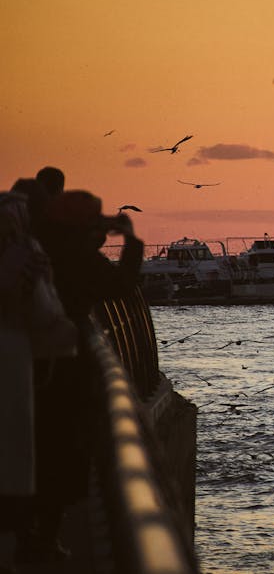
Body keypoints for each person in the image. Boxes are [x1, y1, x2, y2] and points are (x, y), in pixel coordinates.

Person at [16, 190, 143, 563]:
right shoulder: (77, 256)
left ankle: (25, 528)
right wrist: (132, 242)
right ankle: (46, 536)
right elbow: (119, 287)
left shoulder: (36, 250)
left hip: (28, 360)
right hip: (64, 363)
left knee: (30, 445)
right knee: (62, 449)